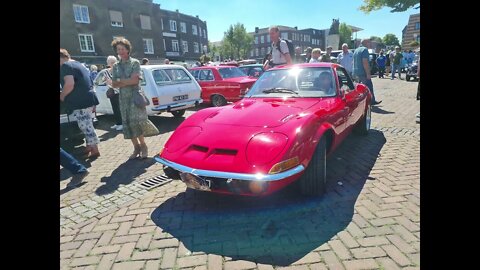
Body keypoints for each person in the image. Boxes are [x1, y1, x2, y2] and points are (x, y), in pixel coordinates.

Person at [111, 38, 159, 159]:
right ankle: (136, 148)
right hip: (123, 99)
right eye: (118, 49)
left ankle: (143, 146)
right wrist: (123, 81)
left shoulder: (135, 63)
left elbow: (134, 81)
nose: (121, 51)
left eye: (123, 48)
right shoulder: (116, 65)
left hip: (135, 97)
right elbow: (114, 84)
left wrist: (120, 81)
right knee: (127, 123)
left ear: (127, 49)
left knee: (137, 122)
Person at [60, 48, 101, 158]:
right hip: (89, 98)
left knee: (85, 126)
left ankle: (95, 150)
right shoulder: (79, 64)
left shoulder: (66, 66)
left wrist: (62, 96)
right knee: (87, 123)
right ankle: (89, 147)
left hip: (79, 100)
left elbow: (69, 84)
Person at [97, 55, 123, 130]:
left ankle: (122, 123)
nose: (112, 64)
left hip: (119, 92)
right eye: (110, 62)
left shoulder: (118, 71)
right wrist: (105, 80)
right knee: (114, 108)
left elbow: (119, 82)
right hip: (112, 92)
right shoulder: (106, 71)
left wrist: (111, 82)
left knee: (119, 109)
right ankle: (118, 123)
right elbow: (101, 80)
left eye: (113, 62)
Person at [352, 39, 382, 105]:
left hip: (356, 72)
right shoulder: (364, 50)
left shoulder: (356, 50)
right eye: (369, 42)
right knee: (369, 87)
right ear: (366, 43)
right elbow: (365, 62)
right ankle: (371, 101)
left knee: (358, 88)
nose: (370, 44)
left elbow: (353, 61)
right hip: (363, 73)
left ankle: (358, 101)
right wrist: (368, 73)